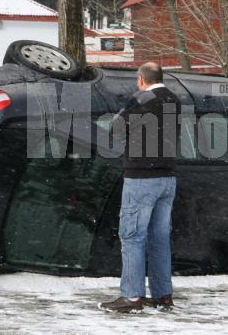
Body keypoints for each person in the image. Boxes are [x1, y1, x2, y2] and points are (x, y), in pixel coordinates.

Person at [99, 62, 181, 314]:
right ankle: (162, 295)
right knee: (159, 239)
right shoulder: (174, 100)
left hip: (141, 178)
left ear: (141, 79)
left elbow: (116, 128)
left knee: (132, 236)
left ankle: (132, 297)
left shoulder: (141, 99)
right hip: (167, 178)